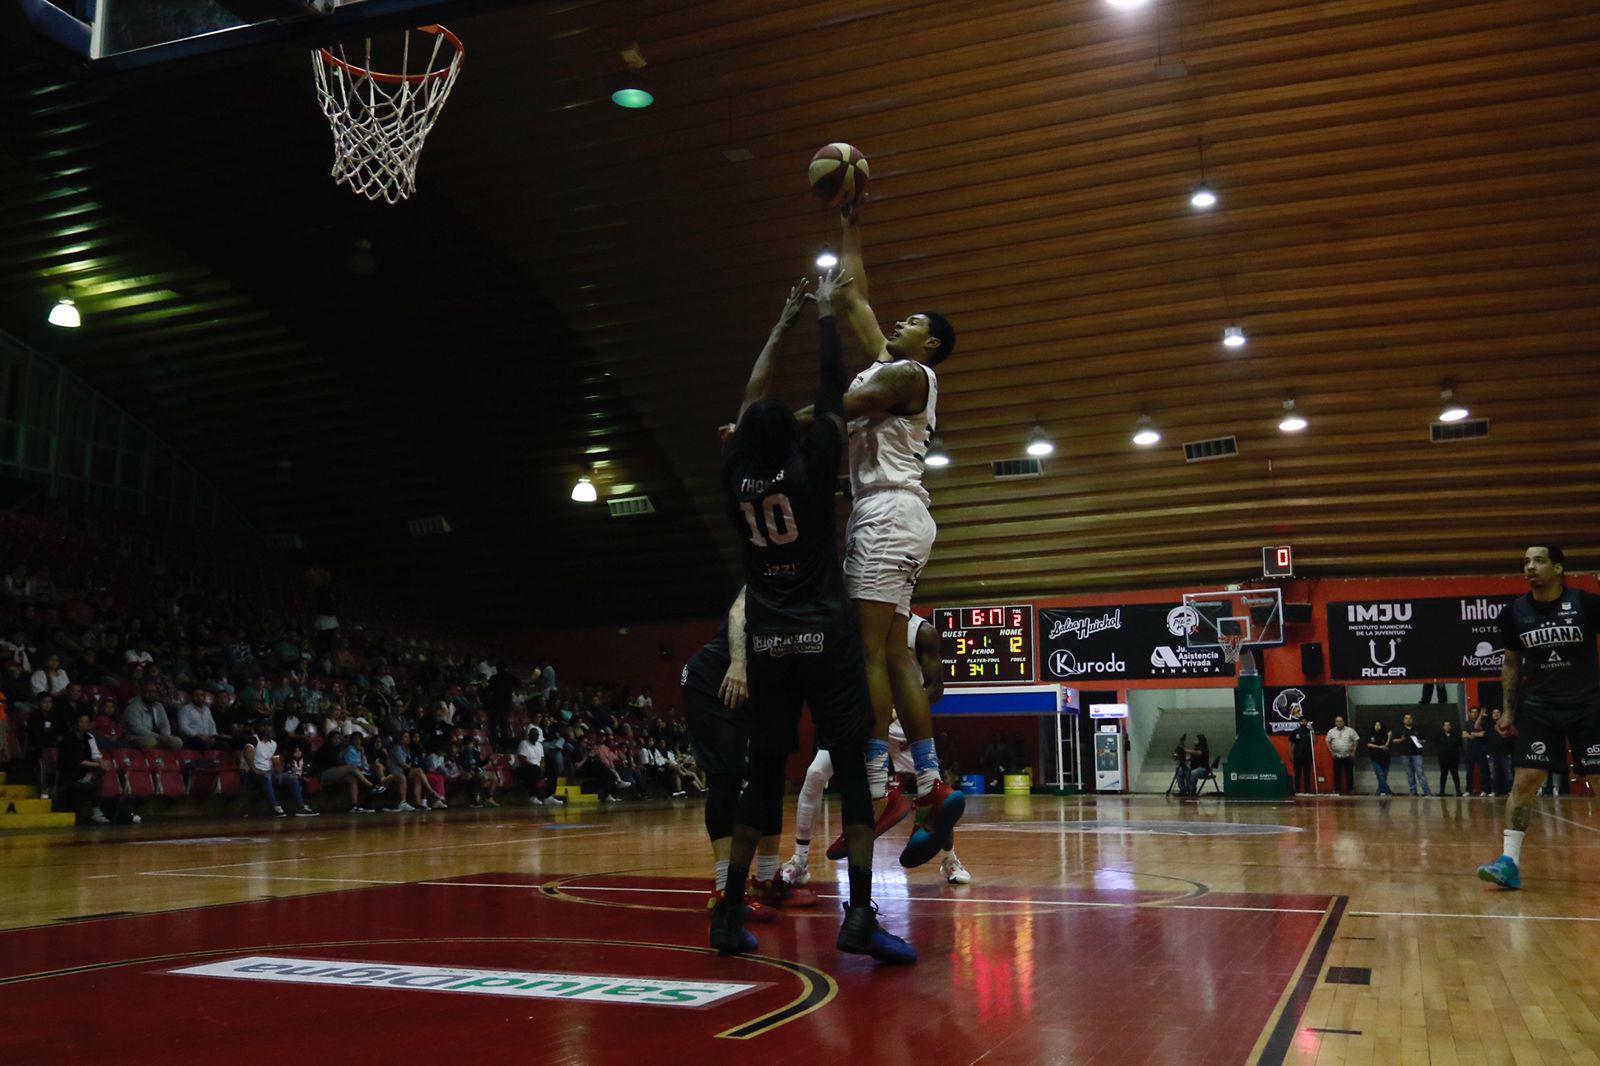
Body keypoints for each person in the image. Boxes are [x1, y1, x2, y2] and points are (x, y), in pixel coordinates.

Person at [711, 267, 914, 964]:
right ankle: (859, 915)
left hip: (767, 642)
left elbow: (751, 396)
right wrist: (826, 314)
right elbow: (832, 386)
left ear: (742, 436)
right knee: (855, 773)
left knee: (763, 775)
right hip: (822, 635)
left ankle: (728, 911)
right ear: (792, 440)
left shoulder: (737, 471)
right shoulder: (810, 464)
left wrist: (782, 322)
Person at [830, 197, 963, 867]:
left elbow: (837, 406)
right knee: (900, 654)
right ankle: (933, 784)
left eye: (913, 323)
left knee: (869, 654)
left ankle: (886, 789)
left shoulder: (909, 374)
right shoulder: (893, 360)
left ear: (929, 344)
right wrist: (849, 222)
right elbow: (856, 298)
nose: (899, 323)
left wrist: (762, 425)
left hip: (885, 513)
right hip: (901, 515)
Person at [784, 613, 971, 886]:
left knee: (934, 794)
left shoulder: (922, 632)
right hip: (865, 721)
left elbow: (935, 688)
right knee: (814, 774)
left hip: (901, 724)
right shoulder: (857, 625)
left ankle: (950, 859)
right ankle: (799, 860)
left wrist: (899, 714)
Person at [1478, 545, 1600, 890]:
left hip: (1588, 706)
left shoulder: (1586, 604)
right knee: (1525, 781)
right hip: (1540, 708)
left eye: (1539, 560)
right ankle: (1509, 864)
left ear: (1558, 568)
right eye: (1526, 562)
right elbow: (1512, 663)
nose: (1530, 567)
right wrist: (1509, 710)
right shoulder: (1513, 613)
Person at [681, 587, 802, 918]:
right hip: (717, 677)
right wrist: (738, 662)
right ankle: (725, 888)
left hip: (767, 686)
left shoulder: (825, 592)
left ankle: (766, 878)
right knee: (727, 777)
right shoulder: (775, 568)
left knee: (772, 773)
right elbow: (739, 613)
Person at [241, 721, 317, 818]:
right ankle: (275, 807)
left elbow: (276, 762)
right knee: (266, 776)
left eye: (269, 726)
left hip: (268, 773)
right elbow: (248, 753)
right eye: (263, 726)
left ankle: (302, 808)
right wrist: (254, 769)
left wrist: (279, 773)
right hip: (252, 774)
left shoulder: (273, 744)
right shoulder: (253, 739)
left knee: (292, 777)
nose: (267, 728)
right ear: (258, 728)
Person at [1395, 712, 1432, 796]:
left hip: (1417, 754)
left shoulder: (1417, 729)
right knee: (1410, 774)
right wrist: (1401, 740)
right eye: (1406, 718)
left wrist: (1420, 741)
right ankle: (1413, 791)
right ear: (1403, 720)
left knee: (1420, 773)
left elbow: (1424, 739)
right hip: (1404, 754)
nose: (1408, 720)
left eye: (1410, 718)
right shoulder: (1399, 729)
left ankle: (1427, 792)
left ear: (1412, 720)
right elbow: (1394, 740)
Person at [1325, 714, 1359, 795]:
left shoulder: (1350, 730)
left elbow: (1356, 740)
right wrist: (1332, 752)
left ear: (1344, 722)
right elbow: (1327, 741)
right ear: (1335, 722)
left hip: (1348, 755)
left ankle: (1350, 790)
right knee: (1337, 774)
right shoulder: (1331, 731)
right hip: (1337, 756)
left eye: (1341, 721)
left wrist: (1353, 751)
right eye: (1337, 721)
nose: (1339, 723)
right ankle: (1337, 790)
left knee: (1349, 774)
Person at [1487, 707, 1514, 795]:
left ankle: (1510, 790)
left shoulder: (1506, 725)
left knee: (1508, 773)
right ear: (1491, 715)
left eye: (1498, 712)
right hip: (1492, 753)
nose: (1496, 714)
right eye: (1494, 713)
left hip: (1505, 753)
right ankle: (1494, 791)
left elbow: (1507, 736)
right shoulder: (1488, 725)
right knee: (1493, 774)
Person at [1463, 708, 1490, 796]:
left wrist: (1472, 734)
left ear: (1478, 714)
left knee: (1483, 770)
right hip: (1470, 750)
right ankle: (1468, 790)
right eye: (1472, 712)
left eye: (1476, 712)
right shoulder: (1467, 723)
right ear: (1470, 714)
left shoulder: (1483, 723)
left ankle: (1484, 790)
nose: (1474, 714)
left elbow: (1483, 734)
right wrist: (1475, 734)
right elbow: (1464, 734)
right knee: (1469, 771)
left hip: (1481, 749)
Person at [1436, 718, 1464, 797]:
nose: (1447, 727)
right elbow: (1436, 746)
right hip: (1443, 759)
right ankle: (1442, 791)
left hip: (1454, 759)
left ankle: (1458, 791)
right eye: (1445, 725)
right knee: (1443, 775)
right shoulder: (1439, 736)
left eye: (1448, 725)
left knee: (1455, 775)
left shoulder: (1456, 735)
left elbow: (1460, 745)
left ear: (1451, 727)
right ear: (1443, 727)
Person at [1366, 719, 1394, 796]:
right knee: (1380, 773)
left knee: (1384, 775)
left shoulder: (1385, 734)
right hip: (1374, 757)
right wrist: (1379, 747)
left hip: (1385, 757)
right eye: (1376, 725)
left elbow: (1387, 746)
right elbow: (1369, 744)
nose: (1377, 726)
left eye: (1379, 725)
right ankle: (1387, 791)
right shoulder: (1371, 734)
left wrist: (1389, 737)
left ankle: (1380, 790)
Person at [1290, 719, 1315, 794]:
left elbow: (1314, 741)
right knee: (1297, 775)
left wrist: (1312, 731)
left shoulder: (1309, 731)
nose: (1303, 723)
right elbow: (1290, 745)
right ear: (1299, 722)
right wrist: (1291, 755)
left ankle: (1307, 791)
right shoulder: (1295, 732)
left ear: (1307, 722)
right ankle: (1297, 791)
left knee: (1307, 775)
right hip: (1297, 756)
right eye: (1301, 721)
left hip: (1308, 757)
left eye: (1305, 721)